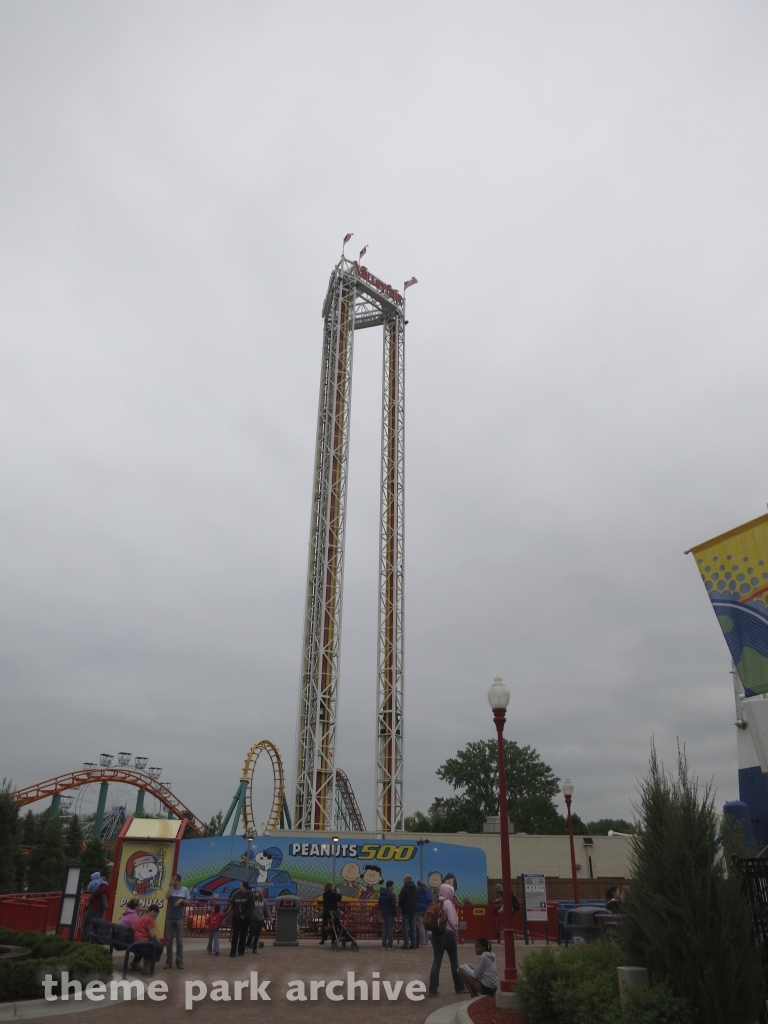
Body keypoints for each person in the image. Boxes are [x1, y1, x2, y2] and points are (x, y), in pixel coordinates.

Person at [428, 883, 467, 998]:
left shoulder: (435, 902)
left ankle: (432, 989)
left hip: (435, 934)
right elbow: (454, 922)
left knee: (436, 961)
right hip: (448, 934)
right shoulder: (448, 903)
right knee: (454, 961)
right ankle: (459, 987)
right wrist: (455, 930)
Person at [164, 873, 189, 969]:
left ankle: (179, 961)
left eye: (174, 880)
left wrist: (182, 901)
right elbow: (166, 897)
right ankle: (168, 961)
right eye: (172, 880)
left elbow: (188, 903)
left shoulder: (185, 890)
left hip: (179, 918)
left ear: (178, 881)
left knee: (179, 941)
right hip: (170, 917)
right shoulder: (171, 889)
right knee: (169, 941)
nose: (173, 881)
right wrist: (170, 886)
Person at [131, 905, 164, 975]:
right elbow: (152, 935)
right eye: (154, 912)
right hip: (142, 943)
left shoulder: (143, 917)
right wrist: (157, 939)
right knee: (159, 946)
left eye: (156, 913)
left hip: (136, 941)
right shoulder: (149, 919)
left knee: (153, 944)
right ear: (149, 911)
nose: (155, 914)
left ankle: (135, 963)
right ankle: (147, 968)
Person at [228, 881, 255, 957]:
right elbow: (233, 902)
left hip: (245, 918)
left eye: (241, 886)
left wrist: (246, 915)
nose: (239, 887)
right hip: (236, 917)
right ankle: (233, 951)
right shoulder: (237, 894)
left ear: (244, 887)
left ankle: (241, 951)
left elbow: (251, 907)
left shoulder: (250, 895)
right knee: (235, 935)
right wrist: (230, 907)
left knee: (243, 935)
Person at [82, 872, 109, 941]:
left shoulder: (97, 887)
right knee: (96, 927)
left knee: (85, 924)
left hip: (93, 908)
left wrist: (91, 897)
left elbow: (93, 894)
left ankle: (86, 939)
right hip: (101, 910)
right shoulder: (105, 887)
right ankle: (94, 942)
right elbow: (107, 897)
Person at [398, 874, 418, 950]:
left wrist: (401, 906)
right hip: (413, 910)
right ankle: (414, 944)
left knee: (405, 927)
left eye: (404, 880)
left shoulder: (404, 888)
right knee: (413, 927)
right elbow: (417, 898)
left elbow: (401, 899)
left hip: (406, 910)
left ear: (406, 880)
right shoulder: (415, 888)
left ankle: (406, 944)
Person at [379, 880, 397, 950]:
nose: (393, 887)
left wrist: (382, 909)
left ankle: (383, 945)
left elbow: (379, 904)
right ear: (389, 886)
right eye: (392, 885)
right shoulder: (391, 895)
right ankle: (389, 945)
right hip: (390, 913)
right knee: (390, 929)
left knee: (385, 929)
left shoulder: (382, 894)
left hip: (384, 913)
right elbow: (393, 905)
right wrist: (395, 915)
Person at [416, 881, 431, 948]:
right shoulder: (426, 891)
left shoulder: (416, 891)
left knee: (421, 925)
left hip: (418, 909)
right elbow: (429, 899)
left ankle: (422, 941)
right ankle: (426, 940)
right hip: (425, 908)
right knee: (425, 924)